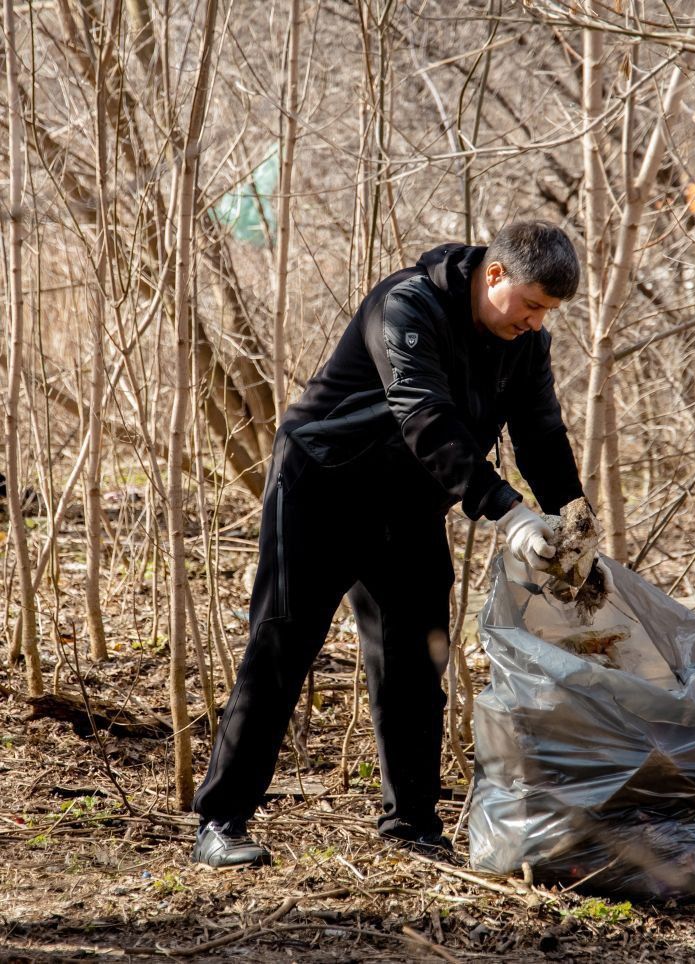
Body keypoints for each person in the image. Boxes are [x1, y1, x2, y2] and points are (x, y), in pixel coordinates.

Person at [191, 220, 596, 868]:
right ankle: (221, 821)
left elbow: (541, 434)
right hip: (321, 487)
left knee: (416, 661)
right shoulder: (406, 307)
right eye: (532, 306)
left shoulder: (524, 345)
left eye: (548, 313)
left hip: (408, 505)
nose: (537, 323)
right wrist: (506, 512)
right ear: (496, 276)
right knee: (281, 646)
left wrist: (573, 520)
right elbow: (423, 415)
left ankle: (411, 827)